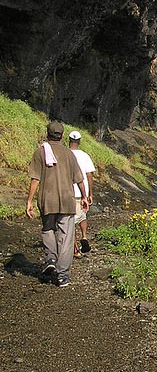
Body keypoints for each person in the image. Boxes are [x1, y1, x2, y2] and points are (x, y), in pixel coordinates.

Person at [26, 121, 89, 287]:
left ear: (47, 134)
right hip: (67, 200)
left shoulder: (40, 152)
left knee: (47, 230)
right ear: (62, 136)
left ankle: (51, 258)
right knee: (66, 238)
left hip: (47, 200)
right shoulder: (69, 154)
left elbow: (35, 179)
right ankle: (63, 276)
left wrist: (29, 201)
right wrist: (84, 196)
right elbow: (80, 179)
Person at [68, 130, 95, 257]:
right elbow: (89, 175)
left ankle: (75, 249)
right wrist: (90, 194)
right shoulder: (85, 155)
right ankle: (84, 236)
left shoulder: (64, 154)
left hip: (67, 192)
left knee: (70, 221)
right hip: (81, 192)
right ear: (79, 142)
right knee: (82, 216)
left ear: (68, 140)